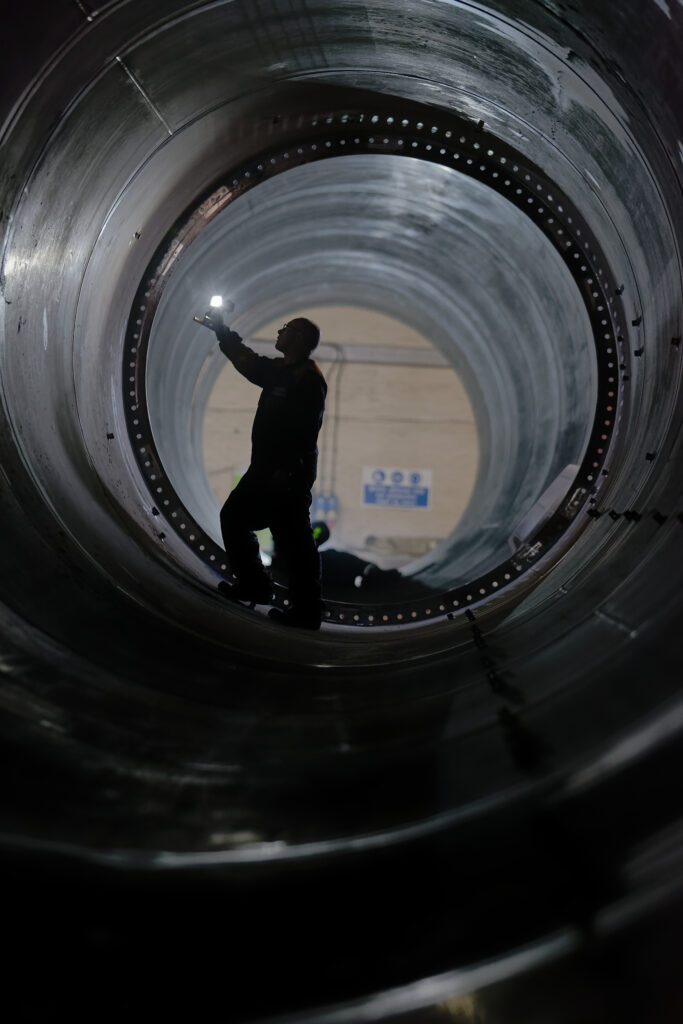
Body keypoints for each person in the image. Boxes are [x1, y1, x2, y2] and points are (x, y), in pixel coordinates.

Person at [209, 314, 327, 630]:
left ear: (300, 337)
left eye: (286, 329)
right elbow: (249, 363)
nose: (279, 331)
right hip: (265, 469)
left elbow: (304, 432)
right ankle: (256, 586)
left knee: (295, 544)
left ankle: (305, 610)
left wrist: (287, 471)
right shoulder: (280, 371)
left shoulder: (308, 379)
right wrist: (223, 332)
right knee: (234, 518)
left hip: (286, 475)